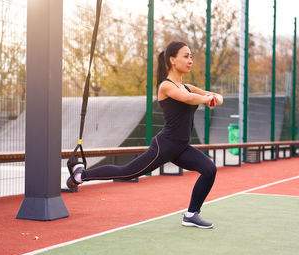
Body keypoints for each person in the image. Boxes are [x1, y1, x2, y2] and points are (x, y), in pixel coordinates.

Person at [66, 41, 224, 229]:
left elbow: (215, 96)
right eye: (186, 56)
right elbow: (189, 99)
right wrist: (207, 99)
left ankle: (191, 214)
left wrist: (214, 98)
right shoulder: (166, 86)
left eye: (191, 57)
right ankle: (81, 175)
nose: (190, 60)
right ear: (172, 60)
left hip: (181, 147)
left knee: (209, 170)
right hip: (164, 146)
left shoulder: (188, 86)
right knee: (126, 173)